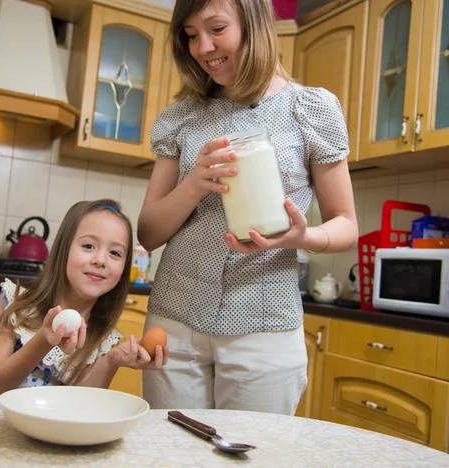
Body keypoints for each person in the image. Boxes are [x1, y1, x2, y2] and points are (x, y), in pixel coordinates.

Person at [138, 0, 358, 414]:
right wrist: (193, 184)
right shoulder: (181, 117)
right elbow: (148, 233)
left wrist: (302, 237)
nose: (202, 47)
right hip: (175, 323)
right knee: (171, 455)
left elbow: (346, 224)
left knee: (256, 456)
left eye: (216, 28)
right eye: (190, 34)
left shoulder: (310, 108)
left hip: (264, 327)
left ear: (255, 23)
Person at [0, 200, 168, 408]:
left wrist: (110, 362)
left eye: (115, 253)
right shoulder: (16, 304)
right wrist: (43, 340)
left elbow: (77, 411)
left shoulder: (103, 340)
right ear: (63, 250)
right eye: (88, 245)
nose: (101, 259)